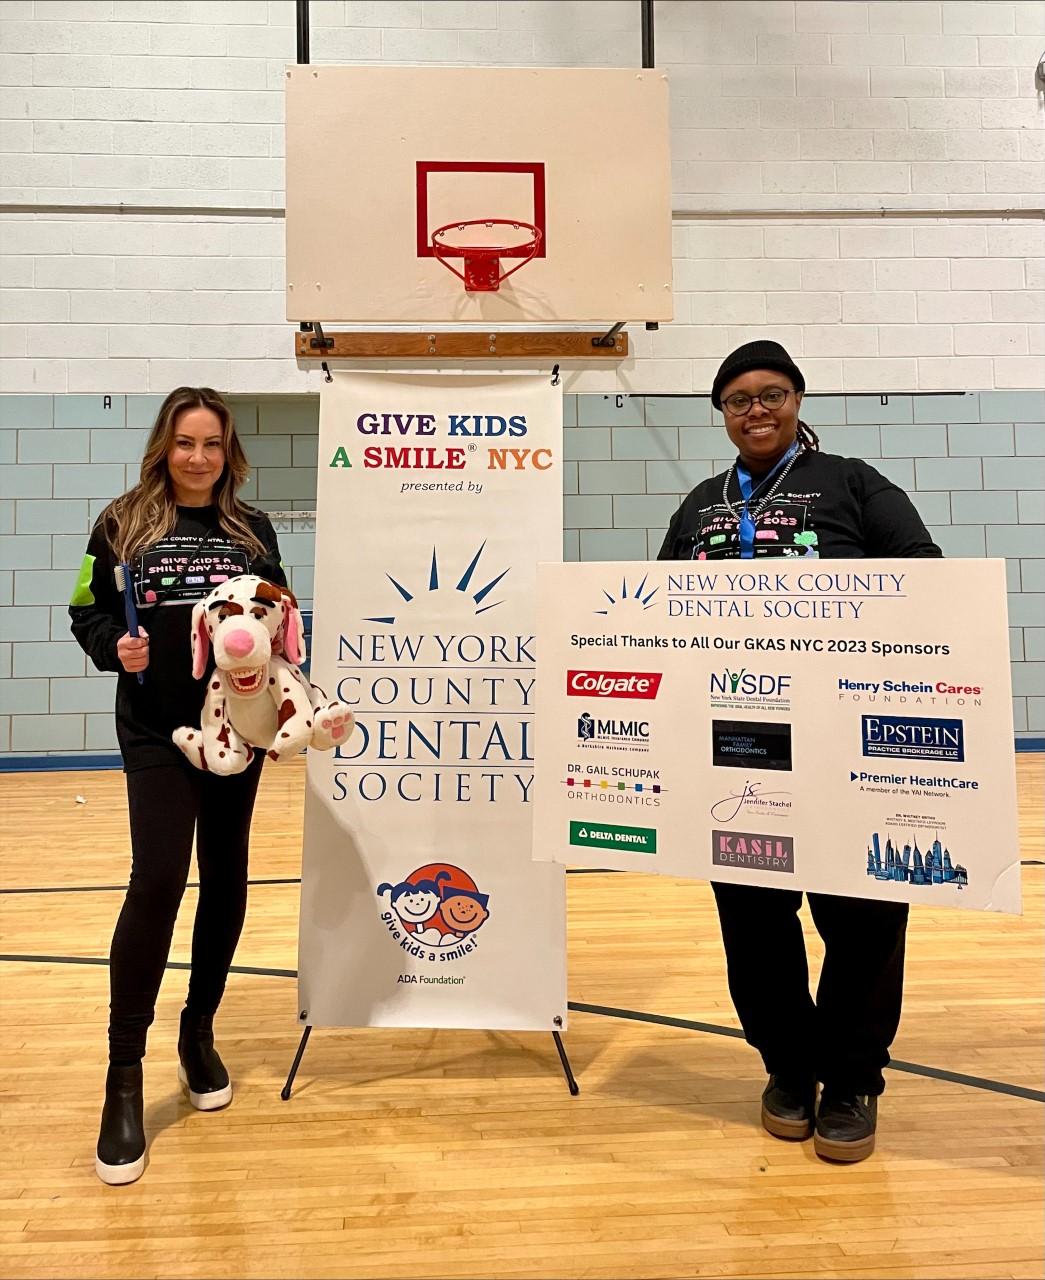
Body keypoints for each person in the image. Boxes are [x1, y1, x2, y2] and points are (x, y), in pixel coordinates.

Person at [659, 340, 942, 1163]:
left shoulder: (852, 481)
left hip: (847, 740)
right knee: (752, 918)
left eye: (771, 394)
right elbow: (658, 609)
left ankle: (851, 1078)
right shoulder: (700, 503)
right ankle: (787, 1068)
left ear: (796, 401)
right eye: (739, 398)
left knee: (859, 914)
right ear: (721, 413)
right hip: (736, 746)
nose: (756, 409)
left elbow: (922, 572)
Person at [69, 387, 287, 1186]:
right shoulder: (121, 521)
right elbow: (83, 608)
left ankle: (198, 1032)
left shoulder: (251, 531)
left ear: (229, 453)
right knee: (158, 879)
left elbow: (276, 616)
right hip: (156, 730)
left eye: (214, 444)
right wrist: (109, 647)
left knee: (225, 875)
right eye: (186, 442)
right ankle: (122, 1077)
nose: (199, 457)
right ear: (164, 445)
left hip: (236, 727)